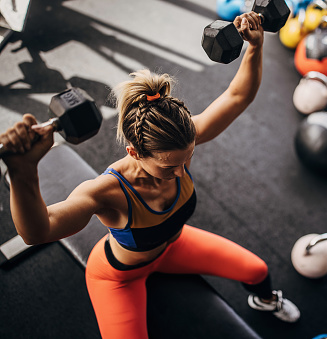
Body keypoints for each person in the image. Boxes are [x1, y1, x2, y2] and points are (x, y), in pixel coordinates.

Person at [0, 12, 300, 339]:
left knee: (257, 270)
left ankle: (264, 300)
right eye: (169, 167)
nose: (181, 171)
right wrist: (23, 171)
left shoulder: (181, 144)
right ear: (134, 152)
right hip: (120, 275)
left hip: (173, 246)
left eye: (188, 159)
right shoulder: (106, 192)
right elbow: (38, 231)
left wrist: (256, 47)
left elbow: (237, 96)